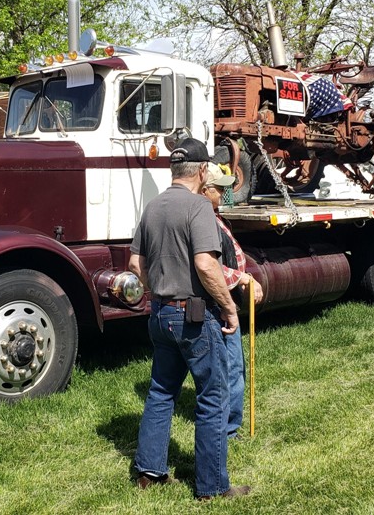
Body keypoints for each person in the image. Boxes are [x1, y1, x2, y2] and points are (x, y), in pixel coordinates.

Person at [129, 138, 251, 501]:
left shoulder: (152, 207)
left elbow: (136, 265)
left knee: (161, 391)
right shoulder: (199, 206)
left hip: (160, 313)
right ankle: (211, 487)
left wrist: (157, 293)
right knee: (213, 397)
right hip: (194, 316)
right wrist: (229, 307)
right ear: (201, 171)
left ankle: (149, 471)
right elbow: (205, 264)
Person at [202, 164, 264, 439]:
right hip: (218, 303)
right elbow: (207, 266)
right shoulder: (203, 221)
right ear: (205, 191)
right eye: (220, 188)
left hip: (223, 299)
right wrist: (242, 279)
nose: (226, 192)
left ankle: (227, 423)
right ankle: (227, 429)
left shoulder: (214, 217)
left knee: (229, 366)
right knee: (230, 367)